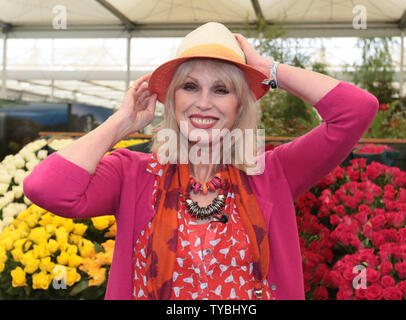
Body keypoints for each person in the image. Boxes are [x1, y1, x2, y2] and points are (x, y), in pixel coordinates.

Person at [23, 22, 378, 300]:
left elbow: (356, 111)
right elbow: (47, 188)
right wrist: (123, 122)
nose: (203, 103)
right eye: (190, 87)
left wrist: (265, 68)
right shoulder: (132, 171)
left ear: (240, 105)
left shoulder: (273, 172)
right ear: (171, 98)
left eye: (221, 90)